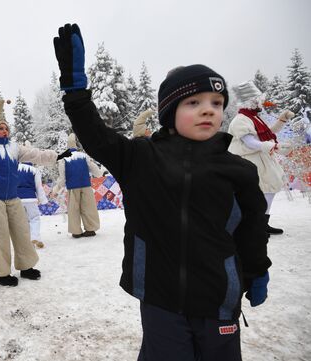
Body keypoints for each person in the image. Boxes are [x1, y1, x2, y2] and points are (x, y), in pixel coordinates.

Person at [53, 24, 271, 361]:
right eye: (194, 102)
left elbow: (252, 229)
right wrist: (76, 94)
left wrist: (257, 270)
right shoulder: (141, 158)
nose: (208, 109)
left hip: (218, 299)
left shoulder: (239, 171)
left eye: (216, 101)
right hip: (160, 298)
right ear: (170, 111)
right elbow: (96, 137)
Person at [0, 98, 69, 287]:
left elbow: (36, 154)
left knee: (22, 232)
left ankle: (26, 266)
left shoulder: (14, 148)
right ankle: (1, 273)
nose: (4, 131)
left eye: (6, 128)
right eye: (0, 128)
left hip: (13, 198)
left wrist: (57, 156)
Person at [227, 81, 294, 235]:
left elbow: (267, 133)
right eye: (259, 99)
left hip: (262, 160)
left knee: (269, 191)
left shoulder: (253, 117)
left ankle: (262, 223)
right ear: (252, 101)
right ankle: (254, 225)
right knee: (261, 193)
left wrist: (282, 120)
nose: (262, 102)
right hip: (251, 162)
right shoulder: (240, 120)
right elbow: (250, 142)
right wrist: (273, 147)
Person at [53, 133, 103, 238]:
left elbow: (62, 178)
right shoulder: (84, 156)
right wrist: (100, 173)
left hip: (72, 188)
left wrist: (56, 189)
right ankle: (90, 229)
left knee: (73, 210)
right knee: (88, 207)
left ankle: (76, 231)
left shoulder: (63, 159)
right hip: (86, 186)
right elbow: (96, 171)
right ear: (76, 145)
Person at [17, 158, 48, 248]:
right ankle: (35, 237)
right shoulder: (34, 170)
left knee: (22, 220)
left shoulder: (14, 169)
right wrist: (43, 200)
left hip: (17, 199)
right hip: (31, 198)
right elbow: (38, 187)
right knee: (34, 218)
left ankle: (26, 240)